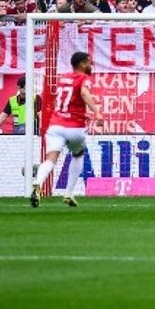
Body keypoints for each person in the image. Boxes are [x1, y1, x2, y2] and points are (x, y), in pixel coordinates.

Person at [30, 52, 103, 208]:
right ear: (82, 64)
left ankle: (37, 183)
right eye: (89, 62)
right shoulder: (84, 79)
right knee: (78, 155)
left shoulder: (63, 79)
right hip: (74, 127)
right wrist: (97, 112)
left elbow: (68, 101)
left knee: (50, 159)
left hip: (56, 125)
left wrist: (84, 114)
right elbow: (83, 93)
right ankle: (69, 193)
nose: (91, 65)